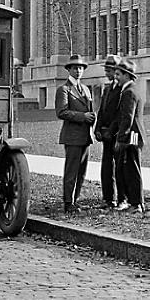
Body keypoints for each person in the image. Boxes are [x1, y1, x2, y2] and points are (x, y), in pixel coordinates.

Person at [55, 54, 94, 214]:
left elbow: (90, 109)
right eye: (75, 68)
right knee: (71, 170)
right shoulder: (63, 89)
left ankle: (75, 200)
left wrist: (92, 117)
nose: (78, 71)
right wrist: (82, 117)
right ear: (69, 70)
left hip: (85, 135)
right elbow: (61, 112)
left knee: (82, 171)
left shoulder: (85, 89)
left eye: (80, 68)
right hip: (72, 136)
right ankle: (68, 201)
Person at [113, 59, 144, 213]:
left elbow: (128, 118)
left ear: (127, 75)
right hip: (132, 134)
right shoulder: (130, 90)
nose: (115, 77)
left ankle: (137, 203)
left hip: (132, 135)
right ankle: (134, 202)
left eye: (118, 74)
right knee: (129, 168)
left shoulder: (129, 92)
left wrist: (120, 139)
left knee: (132, 168)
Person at [94, 54, 125, 209]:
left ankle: (121, 198)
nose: (107, 71)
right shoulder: (107, 88)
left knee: (119, 167)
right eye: (106, 68)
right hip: (105, 134)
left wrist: (111, 130)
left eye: (110, 69)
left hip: (117, 134)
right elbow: (102, 110)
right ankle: (108, 198)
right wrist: (97, 128)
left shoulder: (122, 90)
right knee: (106, 166)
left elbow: (120, 113)